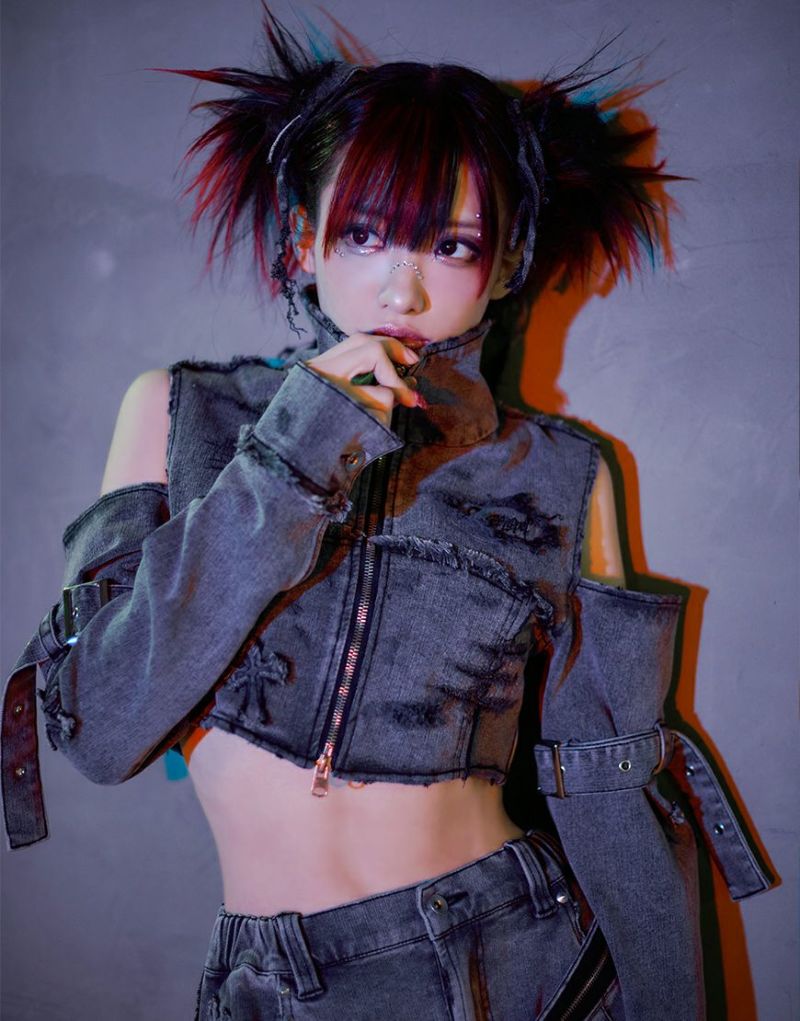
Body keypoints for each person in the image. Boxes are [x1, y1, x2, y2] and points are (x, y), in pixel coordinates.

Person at [1, 7, 772, 1019]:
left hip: (509, 964)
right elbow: (100, 731)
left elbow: (607, 789)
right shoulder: (179, 414)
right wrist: (296, 449)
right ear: (302, 239)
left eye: (449, 244)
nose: (400, 287)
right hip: (261, 983)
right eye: (363, 234)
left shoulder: (563, 474)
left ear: (504, 265)